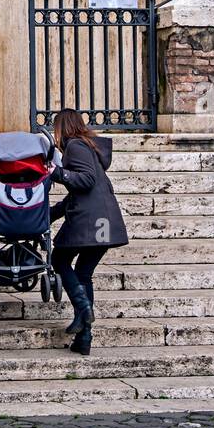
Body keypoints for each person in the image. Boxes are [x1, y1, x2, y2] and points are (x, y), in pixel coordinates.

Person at [50, 108, 129, 356]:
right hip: (103, 220)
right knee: (83, 274)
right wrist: (49, 214)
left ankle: (83, 309)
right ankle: (84, 337)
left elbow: (85, 180)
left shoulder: (75, 146)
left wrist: (56, 173)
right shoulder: (89, 147)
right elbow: (84, 189)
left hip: (90, 221)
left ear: (62, 127)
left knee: (59, 259)